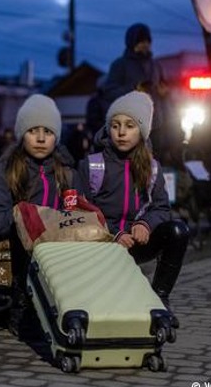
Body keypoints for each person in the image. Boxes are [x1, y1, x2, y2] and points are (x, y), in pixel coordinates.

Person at [78, 91, 188, 328]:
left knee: (177, 230)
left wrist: (145, 224)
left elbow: (160, 207)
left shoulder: (152, 168)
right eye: (115, 125)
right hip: (102, 244)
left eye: (129, 125)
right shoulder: (92, 165)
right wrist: (114, 233)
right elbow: (81, 210)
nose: (121, 132)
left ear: (142, 131)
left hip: (136, 241)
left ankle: (159, 298)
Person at [0, 94, 84, 335]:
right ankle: (14, 301)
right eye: (32, 130)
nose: (39, 138)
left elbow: (77, 213)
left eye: (47, 132)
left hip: (56, 253)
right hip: (17, 250)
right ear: (21, 134)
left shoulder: (67, 172)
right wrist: (22, 217)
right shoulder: (8, 168)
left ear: (56, 137)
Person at [102, 23, 174, 165]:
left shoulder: (156, 65)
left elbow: (165, 89)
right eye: (141, 41)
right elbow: (109, 92)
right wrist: (133, 89)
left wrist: (164, 93)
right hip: (131, 125)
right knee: (132, 166)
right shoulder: (120, 65)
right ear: (132, 42)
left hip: (156, 125)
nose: (145, 45)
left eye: (147, 42)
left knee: (154, 166)